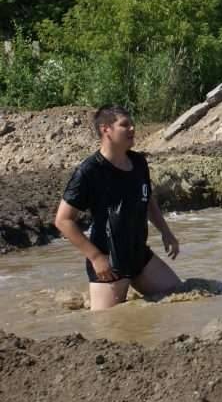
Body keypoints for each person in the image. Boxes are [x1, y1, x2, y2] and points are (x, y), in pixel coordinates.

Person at [54, 105, 182, 310]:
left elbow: (148, 200)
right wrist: (96, 257)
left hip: (139, 255)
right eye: (125, 125)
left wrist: (167, 233)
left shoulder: (139, 162)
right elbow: (62, 220)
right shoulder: (89, 171)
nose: (132, 128)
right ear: (106, 129)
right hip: (109, 262)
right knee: (107, 324)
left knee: (181, 295)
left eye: (132, 124)